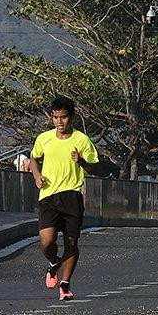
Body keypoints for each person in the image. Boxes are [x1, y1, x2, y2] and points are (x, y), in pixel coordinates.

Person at [29, 96, 99, 301]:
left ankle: (65, 284)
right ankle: (53, 263)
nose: (60, 122)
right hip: (49, 195)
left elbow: (93, 167)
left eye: (64, 117)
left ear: (72, 117)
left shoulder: (81, 140)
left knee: (71, 242)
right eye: (56, 117)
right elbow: (34, 158)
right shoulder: (44, 138)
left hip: (72, 195)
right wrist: (36, 176)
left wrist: (81, 160)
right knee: (46, 241)